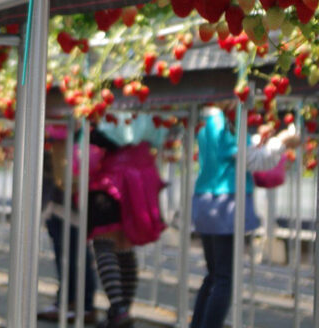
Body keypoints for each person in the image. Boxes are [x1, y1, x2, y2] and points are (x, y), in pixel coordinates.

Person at [189, 106, 299, 328]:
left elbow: (238, 154)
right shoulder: (225, 129)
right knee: (224, 278)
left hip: (205, 203)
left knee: (213, 275)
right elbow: (257, 161)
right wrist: (281, 141)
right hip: (225, 206)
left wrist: (257, 140)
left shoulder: (207, 127)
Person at [78, 114, 167, 328]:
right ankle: (122, 310)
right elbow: (159, 135)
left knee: (104, 243)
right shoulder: (154, 103)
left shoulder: (114, 99)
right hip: (142, 175)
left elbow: (104, 136)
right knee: (124, 246)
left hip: (113, 176)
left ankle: (118, 309)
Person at [38, 121, 98, 324]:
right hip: (63, 202)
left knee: (73, 254)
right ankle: (70, 301)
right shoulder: (71, 131)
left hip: (69, 203)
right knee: (68, 253)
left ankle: (81, 304)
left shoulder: (70, 129)